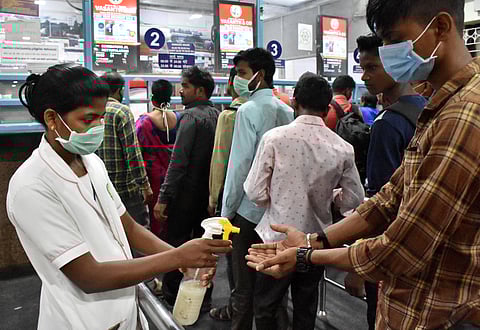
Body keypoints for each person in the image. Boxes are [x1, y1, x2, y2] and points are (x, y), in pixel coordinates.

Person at [247, 0, 480, 329]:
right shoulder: (437, 105)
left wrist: (306, 254)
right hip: (408, 307)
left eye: (394, 39)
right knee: (304, 309)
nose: (386, 55)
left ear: (440, 27)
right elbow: (386, 200)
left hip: (435, 315)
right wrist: (316, 241)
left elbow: (401, 248)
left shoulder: (464, 114)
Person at [8, 64, 232, 329]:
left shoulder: (91, 162)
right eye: (88, 119)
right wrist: (178, 257)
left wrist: (182, 260)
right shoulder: (32, 186)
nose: (97, 128)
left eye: (101, 118)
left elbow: (129, 227)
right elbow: (89, 276)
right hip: (81, 320)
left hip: (123, 309)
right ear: (52, 118)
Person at [244, 74, 365, 330]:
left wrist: (273, 200)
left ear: (295, 101)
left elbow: (254, 191)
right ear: (327, 106)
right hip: (317, 240)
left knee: (266, 306)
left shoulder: (274, 138)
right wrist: (334, 198)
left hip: (275, 239)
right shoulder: (342, 148)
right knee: (305, 307)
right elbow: (353, 199)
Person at [343, 33, 428, 330]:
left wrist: (359, 267)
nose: (364, 77)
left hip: (389, 254)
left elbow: (380, 204)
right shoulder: (431, 109)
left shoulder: (387, 124)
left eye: (371, 68)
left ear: (394, 64)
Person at [221, 47, 294, 330]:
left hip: (249, 213)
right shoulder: (288, 111)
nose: (237, 80)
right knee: (274, 288)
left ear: (259, 76)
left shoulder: (247, 110)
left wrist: (227, 211)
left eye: (241, 73)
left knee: (244, 287)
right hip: (279, 214)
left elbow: (239, 166)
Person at [155, 66, 220, 307]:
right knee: (205, 248)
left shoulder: (190, 118)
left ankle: (172, 297)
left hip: (185, 197)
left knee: (177, 246)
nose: (180, 91)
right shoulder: (217, 114)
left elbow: (178, 162)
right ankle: (204, 295)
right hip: (208, 196)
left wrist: (163, 197)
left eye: (185, 86)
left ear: (199, 90)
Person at [96, 72, 153, 228]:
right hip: (126, 191)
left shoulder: (92, 111)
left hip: (99, 188)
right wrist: (145, 186)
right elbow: (132, 153)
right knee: (138, 236)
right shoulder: (121, 112)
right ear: (120, 90)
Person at [135, 79, 181, 239]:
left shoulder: (143, 123)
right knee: (175, 221)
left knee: (157, 222)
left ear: (152, 96)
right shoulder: (179, 118)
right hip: (176, 180)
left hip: (154, 182)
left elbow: (136, 155)